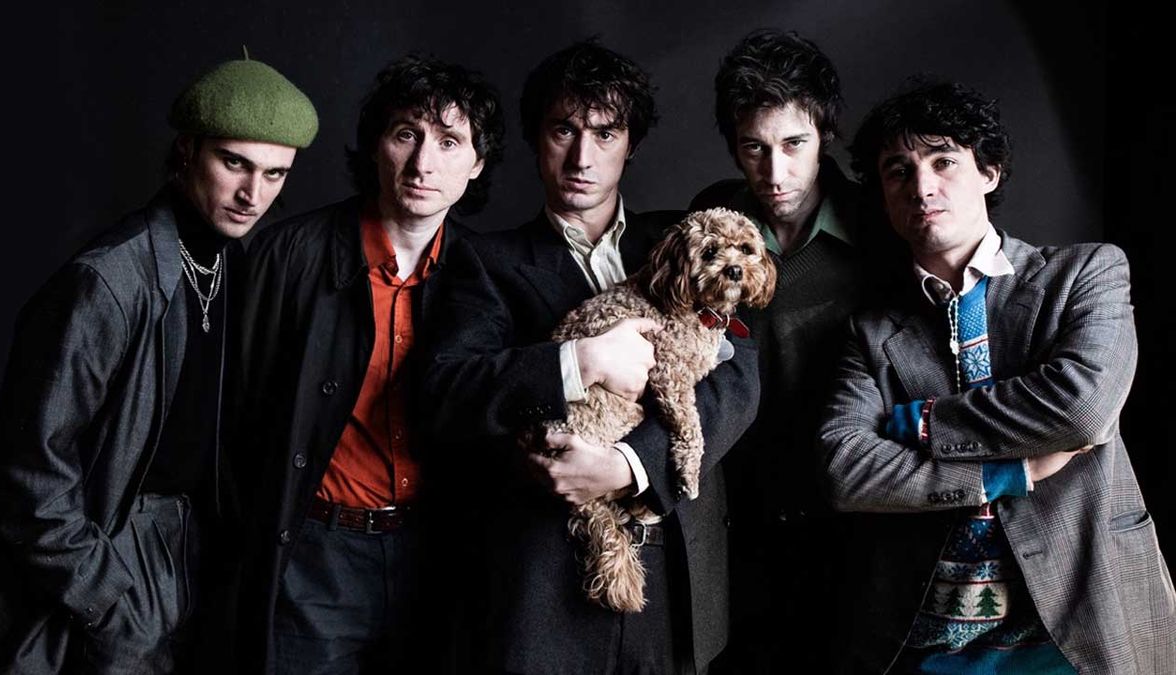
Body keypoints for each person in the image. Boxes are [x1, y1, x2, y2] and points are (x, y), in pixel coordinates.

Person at [420, 39, 760, 674]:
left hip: (677, 575)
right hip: (548, 590)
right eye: (562, 130)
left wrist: (632, 465)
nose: (582, 155)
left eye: (605, 133)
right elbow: (448, 392)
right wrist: (579, 361)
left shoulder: (688, 242)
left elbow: (738, 376)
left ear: (630, 144)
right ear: (534, 139)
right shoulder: (485, 262)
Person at [819, 80, 1175, 674]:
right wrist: (1012, 470)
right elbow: (846, 469)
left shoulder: (1085, 273)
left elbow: (1081, 410)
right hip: (929, 641)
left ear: (989, 171)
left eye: (944, 161)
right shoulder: (872, 330)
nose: (922, 187)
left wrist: (922, 422)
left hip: (1077, 620)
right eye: (898, 171)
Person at [0, 55, 317, 674]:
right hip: (118, 544)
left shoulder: (234, 268)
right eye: (234, 163)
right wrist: (103, 593)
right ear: (187, 150)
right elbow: (30, 469)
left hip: (199, 552)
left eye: (275, 174)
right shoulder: (108, 281)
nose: (252, 195)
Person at [233, 55, 503, 674]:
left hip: (436, 554)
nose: (423, 163)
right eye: (406, 134)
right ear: (376, 145)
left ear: (477, 163)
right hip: (314, 555)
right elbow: (235, 420)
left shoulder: (488, 272)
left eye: (449, 141)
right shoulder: (285, 257)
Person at [688, 30, 885, 670]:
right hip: (733, 517)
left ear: (825, 135)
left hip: (850, 519)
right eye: (755, 148)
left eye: (794, 145)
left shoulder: (876, 225)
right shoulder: (714, 217)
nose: (775, 173)